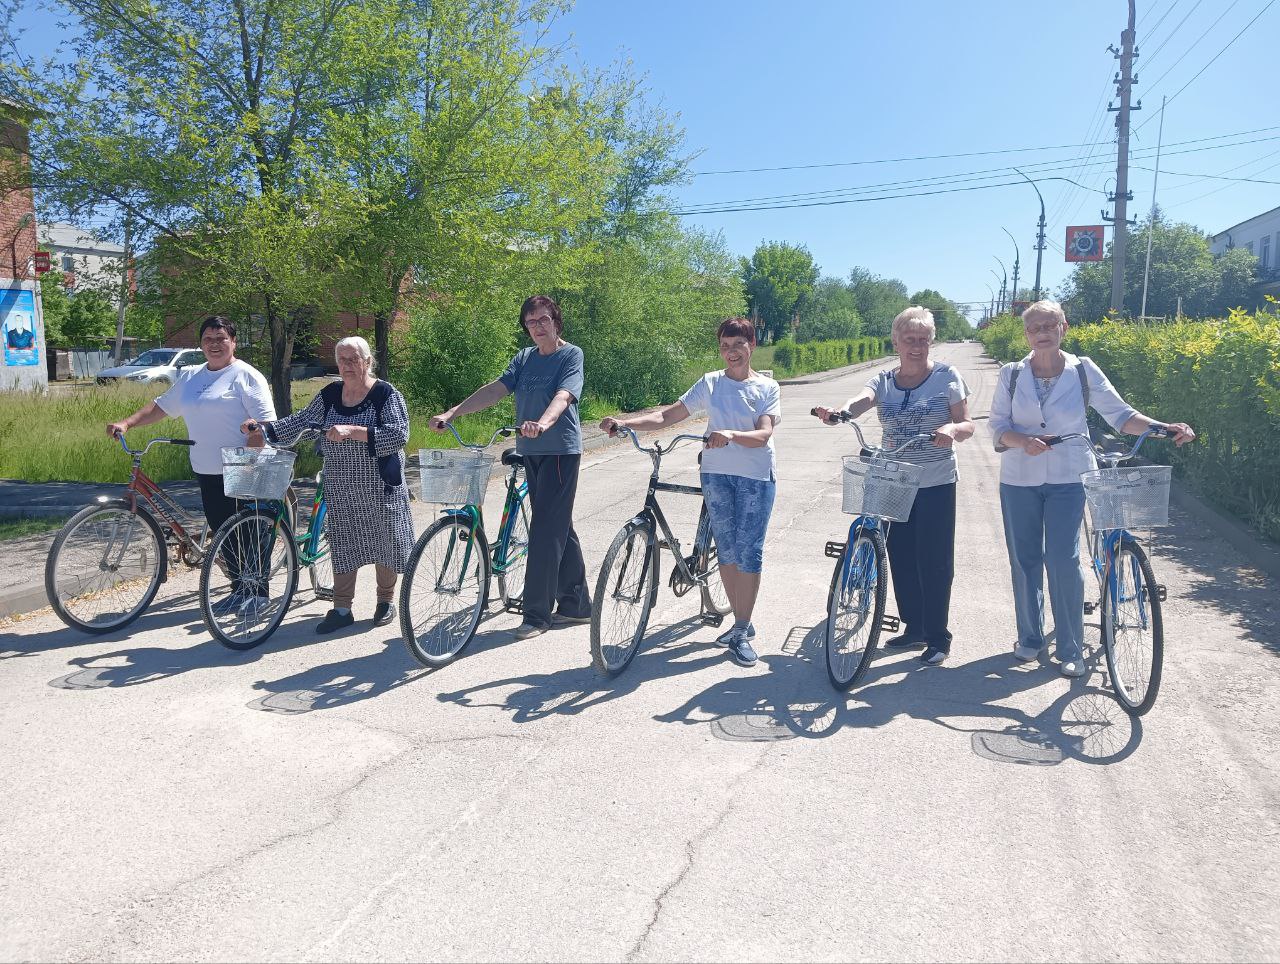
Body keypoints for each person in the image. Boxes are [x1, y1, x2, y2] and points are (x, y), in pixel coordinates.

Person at [989, 299, 1195, 677]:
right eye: (1035, 328)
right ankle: (1030, 639)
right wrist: (1022, 442)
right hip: (1019, 477)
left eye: (1050, 325)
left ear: (1064, 328)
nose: (1043, 333)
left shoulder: (1083, 370)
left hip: (1070, 476)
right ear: (1026, 335)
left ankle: (1070, 647)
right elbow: (997, 426)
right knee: (1025, 559)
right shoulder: (1011, 374)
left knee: (1063, 559)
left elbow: (1121, 415)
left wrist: (1163, 427)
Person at [601, 317, 781, 668]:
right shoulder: (711, 383)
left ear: (752, 346)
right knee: (727, 550)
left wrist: (729, 434)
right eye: (725, 346)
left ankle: (742, 628)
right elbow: (669, 416)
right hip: (715, 474)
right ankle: (740, 624)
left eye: (738, 345)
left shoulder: (766, 388)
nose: (731, 352)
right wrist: (626, 422)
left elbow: (763, 435)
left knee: (749, 552)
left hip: (755, 478)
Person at [815, 305, 974, 667]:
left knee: (933, 560)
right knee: (899, 557)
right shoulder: (885, 380)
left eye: (923, 340)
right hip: (894, 480)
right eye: (909, 339)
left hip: (934, 481)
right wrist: (841, 413)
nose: (916, 346)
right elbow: (862, 399)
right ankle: (914, 627)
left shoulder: (947, 376)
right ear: (896, 341)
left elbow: (967, 424)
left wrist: (950, 430)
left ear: (931, 342)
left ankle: (938, 636)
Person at [431, 295, 591, 640]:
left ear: (556, 321)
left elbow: (564, 396)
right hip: (530, 449)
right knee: (558, 524)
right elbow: (496, 389)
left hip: (559, 452)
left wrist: (545, 423)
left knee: (546, 529)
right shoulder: (525, 358)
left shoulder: (570, 355)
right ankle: (577, 605)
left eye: (543, 320)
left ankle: (537, 615)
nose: (537, 327)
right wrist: (453, 412)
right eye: (531, 323)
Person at [242, 336, 414, 633]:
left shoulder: (385, 394)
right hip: (341, 484)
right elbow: (304, 422)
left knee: (385, 542)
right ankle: (342, 607)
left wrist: (353, 430)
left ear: (368, 362)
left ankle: (385, 601)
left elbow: (398, 434)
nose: (347, 365)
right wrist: (266, 428)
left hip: (380, 484)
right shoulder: (331, 394)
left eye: (353, 359)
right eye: (342, 360)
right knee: (344, 544)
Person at [106, 316, 275, 539]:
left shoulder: (247, 376)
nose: (214, 344)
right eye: (208, 339)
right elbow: (161, 406)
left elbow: (265, 425)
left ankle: (255, 574)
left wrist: (248, 465)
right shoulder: (191, 376)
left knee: (247, 542)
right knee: (224, 538)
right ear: (201, 344)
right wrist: (127, 423)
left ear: (234, 341)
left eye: (221, 338)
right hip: (206, 469)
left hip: (242, 469)